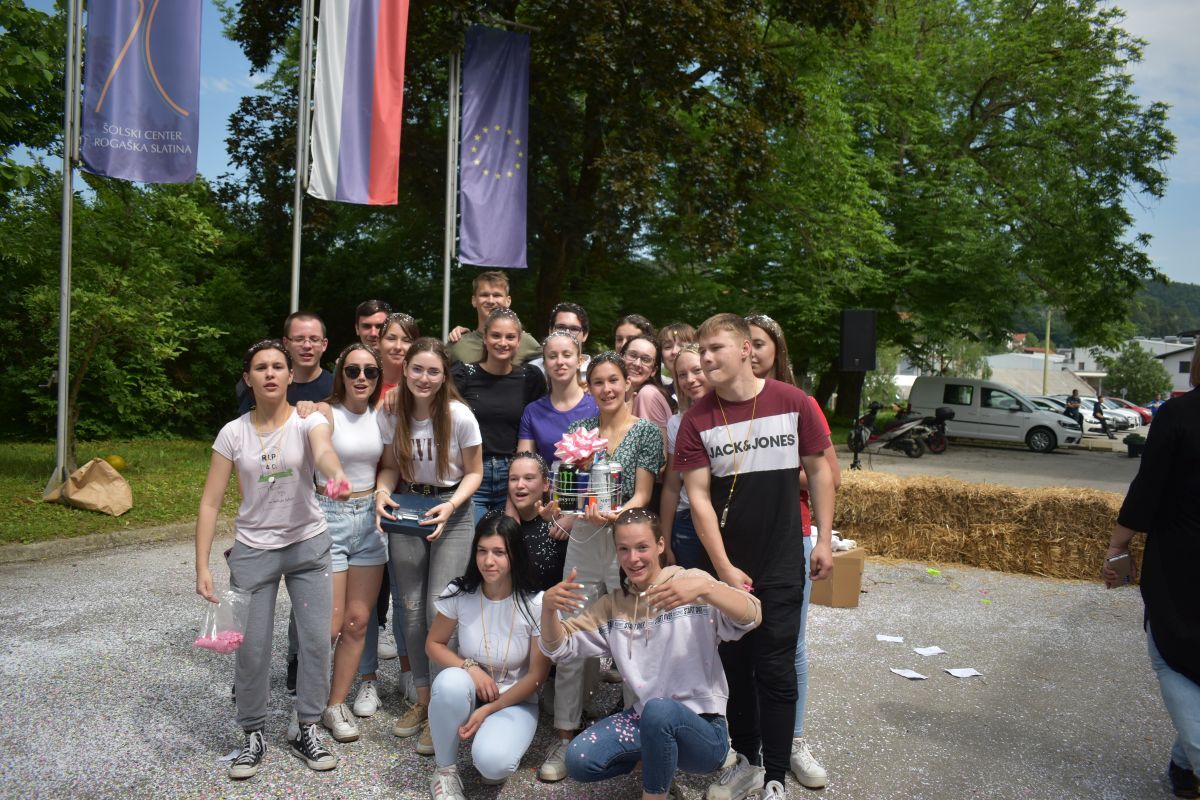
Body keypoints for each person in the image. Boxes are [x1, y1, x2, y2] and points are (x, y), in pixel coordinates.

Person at [676, 313, 835, 800]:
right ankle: (747, 761)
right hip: (728, 566)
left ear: (746, 349)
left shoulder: (793, 402)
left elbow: (821, 472)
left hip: (783, 559)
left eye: (716, 348)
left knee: (777, 667)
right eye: (701, 350)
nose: (706, 358)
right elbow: (698, 498)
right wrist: (723, 568)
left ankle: (776, 777)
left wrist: (824, 539)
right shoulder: (697, 418)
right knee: (737, 667)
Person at [195, 339, 350, 780]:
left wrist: (335, 474)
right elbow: (210, 502)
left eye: (277, 367)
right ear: (248, 378)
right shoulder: (232, 433)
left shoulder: (307, 420)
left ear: (289, 375)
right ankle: (252, 733)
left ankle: (308, 727)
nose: (269, 374)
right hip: (253, 551)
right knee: (252, 649)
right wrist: (202, 566)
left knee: (316, 641)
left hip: (308, 545)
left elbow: (324, 451)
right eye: (260, 367)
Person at [540, 508, 761, 800]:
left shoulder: (691, 581)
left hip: (705, 730)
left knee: (659, 710)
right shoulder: (614, 606)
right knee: (579, 758)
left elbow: (752, 614)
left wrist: (706, 588)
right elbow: (559, 646)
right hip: (646, 720)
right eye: (624, 549)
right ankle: (659, 766)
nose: (633, 558)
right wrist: (548, 609)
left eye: (642, 547)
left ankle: (655, 794)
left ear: (660, 545)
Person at [539, 352, 665, 782]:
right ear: (588, 387)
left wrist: (614, 515)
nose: (607, 389)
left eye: (614, 380)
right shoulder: (579, 430)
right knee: (572, 631)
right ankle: (565, 731)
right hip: (584, 539)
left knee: (632, 639)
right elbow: (567, 491)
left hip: (625, 542)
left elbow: (643, 495)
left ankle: (636, 736)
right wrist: (561, 507)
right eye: (598, 382)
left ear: (627, 383)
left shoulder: (645, 431)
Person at [375, 337, 484, 756]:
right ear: (405, 370)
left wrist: (451, 505)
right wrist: (381, 493)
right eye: (417, 369)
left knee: (442, 608)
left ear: (443, 376)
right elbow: (389, 466)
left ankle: (444, 704)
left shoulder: (459, 415)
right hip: (407, 508)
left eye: (433, 371)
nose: (424, 377)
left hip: (451, 508)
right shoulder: (393, 413)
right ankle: (423, 699)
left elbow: (474, 472)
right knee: (410, 607)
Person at [746, 312, 841, 789]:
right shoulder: (724, 406)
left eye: (759, 343)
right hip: (741, 538)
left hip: (792, 533)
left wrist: (770, 466)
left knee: (790, 645)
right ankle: (748, 747)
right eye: (745, 343)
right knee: (739, 645)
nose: (751, 352)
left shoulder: (800, 403)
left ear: (776, 349)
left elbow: (829, 476)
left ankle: (794, 741)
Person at [1102, 346, 1200, 799]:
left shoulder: (1179, 414)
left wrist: (1117, 546)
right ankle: (1184, 767)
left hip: (1182, 560)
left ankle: (1191, 762)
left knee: (1174, 654)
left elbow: (1149, 488)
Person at [425, 511, 551, 799]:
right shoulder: (461, 591)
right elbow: (434, 644)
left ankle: (488, 737)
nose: (488, 561)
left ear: (515, 555)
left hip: (515, 700)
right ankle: (445, 771)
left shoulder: (535, 602)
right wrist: (470, 668)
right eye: (482, 551)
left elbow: (537, 676)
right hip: (469, 691)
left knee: (493, 765)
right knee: (449, 683)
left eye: (498, 552)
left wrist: (488, 710)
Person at [298, 345, 388, 744]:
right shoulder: (324, 412)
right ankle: (308, 709)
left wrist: (382, 492)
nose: (361, 378)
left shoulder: (383, 415)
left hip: (371, 519)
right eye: (353, 370)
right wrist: (335, 476)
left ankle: (334, 705)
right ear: (341, 374)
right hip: (329, 516)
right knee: (328, 625)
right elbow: (322, 450)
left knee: (357, 622)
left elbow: (390, 464)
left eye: (370, 371)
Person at [452, 309, 547, 521]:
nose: (503, 343)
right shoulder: (464, 375)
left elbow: (538, 424)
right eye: (496, 335)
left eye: (510, 337)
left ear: (519, 341)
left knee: (508, 538)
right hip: (473, 472)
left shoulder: (530, 378)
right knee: (475, 537)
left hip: (514, 476)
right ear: (484, 338)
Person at [660, 344, 710, 569]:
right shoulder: (676, 422)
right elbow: (672, 486)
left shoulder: (736, 416)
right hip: (688, 523)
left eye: (697, 370)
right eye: (682, 375)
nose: (690, 379)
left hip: (728, 518)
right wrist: (666, 540)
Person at [517, 329, 599, 465]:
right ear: (544, 364)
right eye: (552, 356)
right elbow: (524, 464)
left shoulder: (597, 406)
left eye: (567, 355)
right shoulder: (533, 411)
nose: (560, 361)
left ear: (579, 361)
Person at [237, 312, 333, 414]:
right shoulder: (261, 385)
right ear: (286, 343)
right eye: (299, 339)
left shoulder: (338, 387)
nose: (307, 346)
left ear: (324, 344)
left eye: (314, 339)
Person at [446, 271, 541, 366]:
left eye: (497, 295)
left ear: (508, 301)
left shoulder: (526, 342)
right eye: (484, 295)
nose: (491, 301)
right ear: (474, 301)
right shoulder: (458, 345)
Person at [506, 451, 568, 591]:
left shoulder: (561, 524)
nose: (520, 485)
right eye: (513, 479)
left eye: (528, 478)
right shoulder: (495, 522)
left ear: (546, 484)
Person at [622, 334, 675, 440]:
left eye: (645, 360)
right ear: (622, 357)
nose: (637, 363)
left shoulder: (647, 394)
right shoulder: (622, 395)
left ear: (653, 370)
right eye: (632, 355)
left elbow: (658, 448)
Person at [529, 302, 592, 381]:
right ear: (550, 331)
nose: (567, 333)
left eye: (574, 329)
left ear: (585, 335)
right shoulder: (533, 369)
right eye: (561, 327)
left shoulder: (596, 371)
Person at [378, 313, 421, 400]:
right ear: (379, 342)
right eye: (391, 339)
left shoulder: (423, 387)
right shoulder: (364, 383)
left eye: (406, 340)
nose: (398, 347)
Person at [658, 322, 696, 398]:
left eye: (682, 346)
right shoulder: (660, 396)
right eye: (668, 347)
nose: (674, 351)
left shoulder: (713, 390)